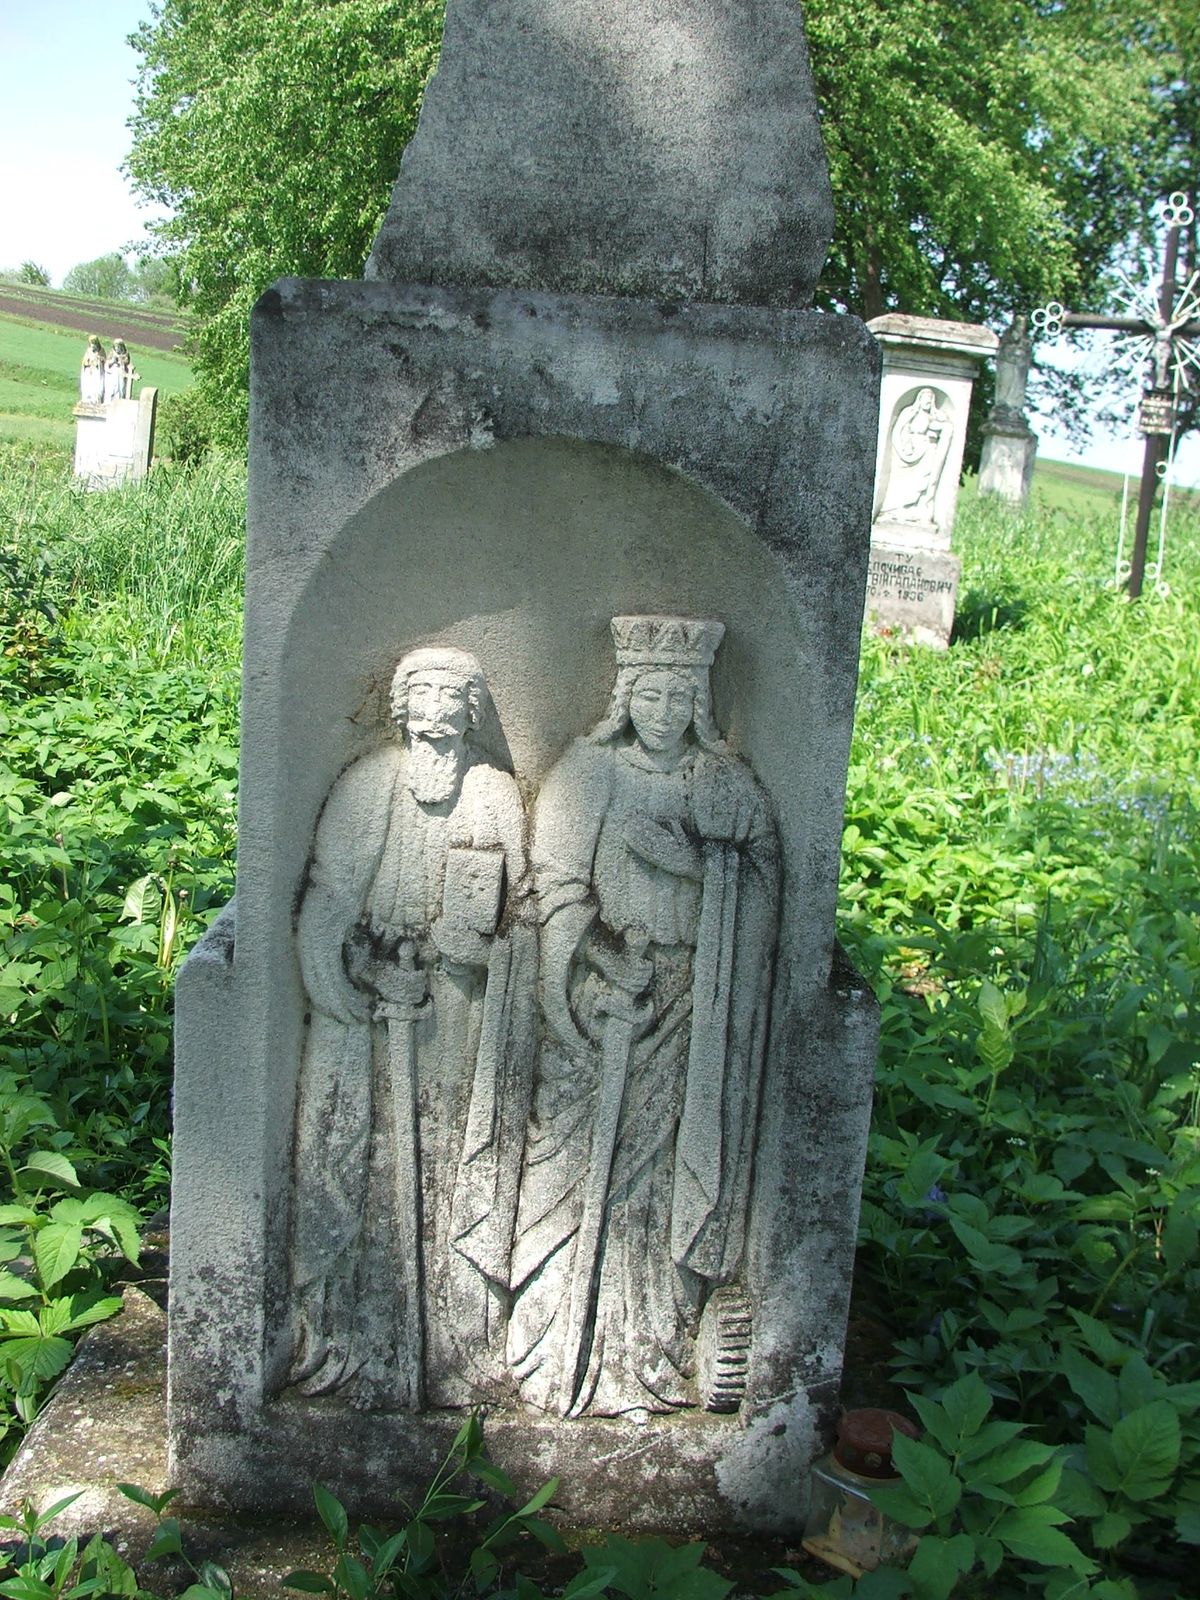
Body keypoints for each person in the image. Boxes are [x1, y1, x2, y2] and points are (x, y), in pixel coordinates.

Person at [508, 615, 779, 1418]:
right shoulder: (588, 774)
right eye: (649, 692)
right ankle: (553, 1344)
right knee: (569, 1166)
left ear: (697, 700)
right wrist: (590, 958)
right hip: (600, 1004)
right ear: (626, 694)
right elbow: (551, 882)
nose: (662, 709)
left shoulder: (724, 785)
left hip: (688, 1004)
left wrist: (698, 867)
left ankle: (647, 1351)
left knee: (657, 1181)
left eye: (679, 694)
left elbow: (765, 893)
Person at [287, 647, 535, 1410]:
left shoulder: (494, 793)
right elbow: (327, 906)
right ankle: (358, 1344)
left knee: (454, 1163)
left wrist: (486, 954)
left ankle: (458, 1347)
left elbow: (523, 905)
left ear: (474, 712)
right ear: (400, 708)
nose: (435, 710)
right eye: (420, 694)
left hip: (458, 1013)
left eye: (453, 696)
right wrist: (351, 981)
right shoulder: (367, 785)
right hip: (368, 1017)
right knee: (360, 1164)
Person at [877, 386, 952, 522]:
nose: (927, 401)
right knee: (903, 482)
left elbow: (946, 428)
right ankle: (895, 508)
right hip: (910, 453)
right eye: (925, 398)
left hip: (929, 451)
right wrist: (905, 446)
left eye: (930, 399)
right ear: (919, 399)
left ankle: (917, 509)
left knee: (924, 481)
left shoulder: (936, 417)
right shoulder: (909, 412)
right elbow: (899, 431)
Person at [79, 336, 106, 404]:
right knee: (88, 383)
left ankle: (96, 398)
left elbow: (104, 360)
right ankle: (86, 397)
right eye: (91, 345)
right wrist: (87, 362)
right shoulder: (88, 351)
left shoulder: (101, 351)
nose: (93, 347)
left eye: (94, 345)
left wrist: (98, 361)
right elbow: (84, 361)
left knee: (96, 384)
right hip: (89, 371)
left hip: (96, 372)